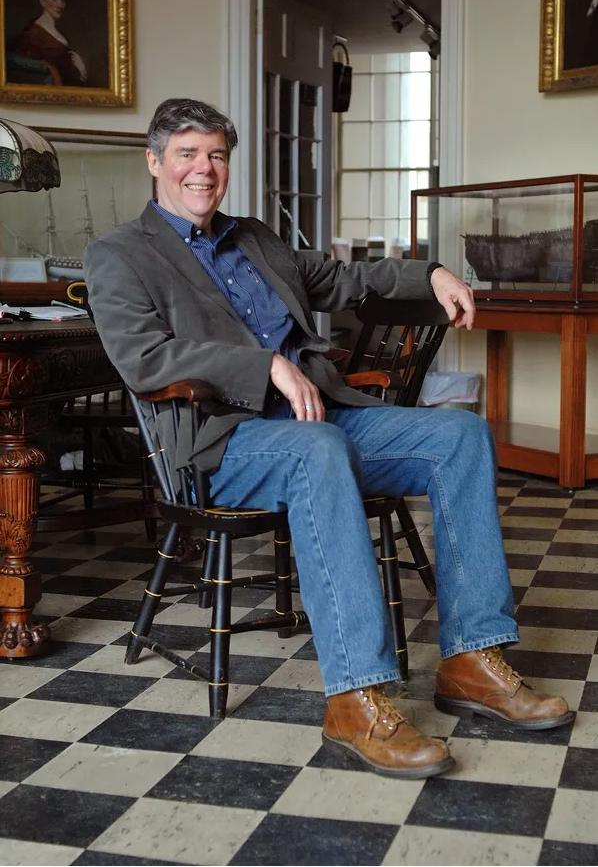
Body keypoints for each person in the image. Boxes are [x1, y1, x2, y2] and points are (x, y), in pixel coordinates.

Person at [84, 98, 574, 781]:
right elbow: (144, 360)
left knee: (460, 434)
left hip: (321, 419)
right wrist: (266, 366)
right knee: (320, 451)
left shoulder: (255, 239)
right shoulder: (119, 254)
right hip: (223, 442)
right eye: (188, 154)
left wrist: (429, 272)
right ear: (155, 162)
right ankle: (357, 699)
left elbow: (345, 281)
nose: (204, 169)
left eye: (217, 155)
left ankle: (472, 659)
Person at [13, 0, 87, 87]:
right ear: (42, 1)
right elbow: (28, 75)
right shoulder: (33, 34)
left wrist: (82, 70)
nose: (60, 4)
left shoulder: (61, 34)